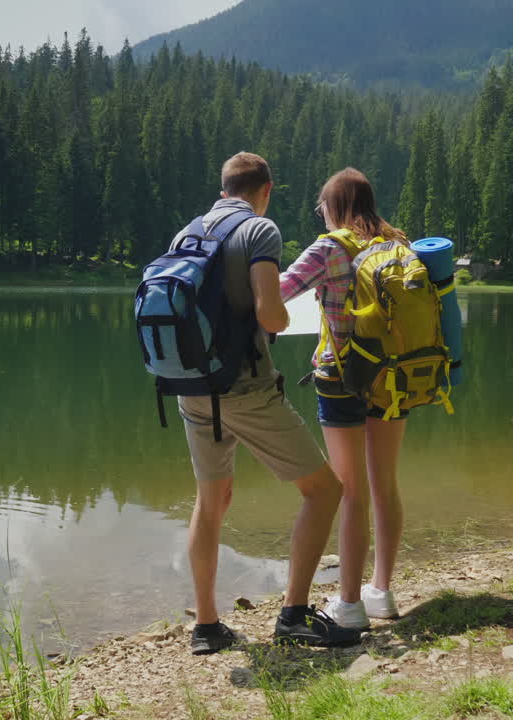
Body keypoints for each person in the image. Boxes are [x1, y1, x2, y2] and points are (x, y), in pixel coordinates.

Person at [177, 152, 360, 654]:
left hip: (190, 387)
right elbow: (271, 316)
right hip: (245, 388)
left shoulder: (189, 232)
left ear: (222, 189)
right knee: (323, 490)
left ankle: (207, 627)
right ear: (267, 190)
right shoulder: (261, 231)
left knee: (210, 501)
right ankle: (294, 616)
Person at [279, 167, 410, 631]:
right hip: (394, 376)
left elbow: (277, 294)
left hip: (342, 378)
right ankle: (382, 592)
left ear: (334, 207)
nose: (321, 214)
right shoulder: (399, 245)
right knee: (384, 485)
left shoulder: (329, 247)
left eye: (322, 207)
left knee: (350, 491)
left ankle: (350, 604)